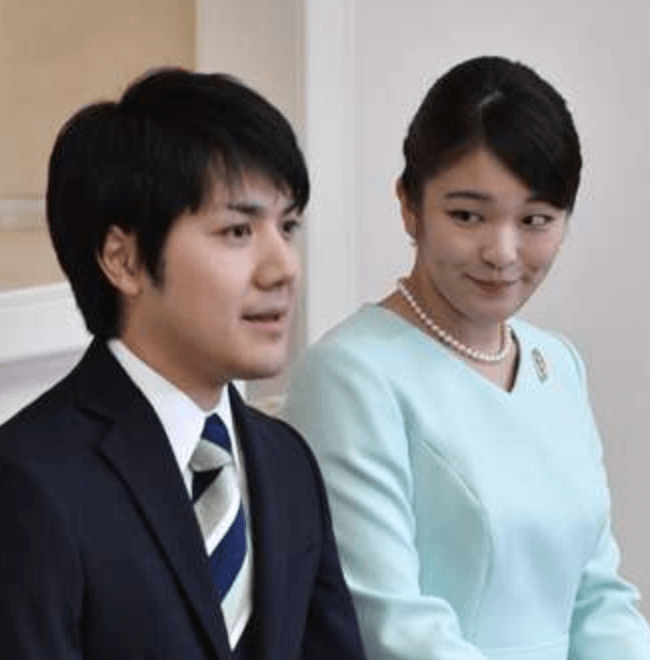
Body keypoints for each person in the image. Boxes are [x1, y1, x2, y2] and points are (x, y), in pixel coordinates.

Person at [284, 56, 650, 659]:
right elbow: (391, 628)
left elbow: (599, 595)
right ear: (410, 205)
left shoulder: (557, 364)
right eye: (467, 216)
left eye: (535, 219)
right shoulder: (350, 375)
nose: (502, 252)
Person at [0, 68, 366, 660]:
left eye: (288, 226)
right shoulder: (30, 480)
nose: (284, 268)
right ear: (124, 260)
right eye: (238, 230)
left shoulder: (287, 462)